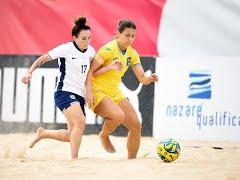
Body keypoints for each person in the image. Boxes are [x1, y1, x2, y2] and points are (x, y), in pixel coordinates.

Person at [21, 16, 95, 160]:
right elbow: (42, 58)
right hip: (64, 92)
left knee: (71, 135)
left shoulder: (91, 51)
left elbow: (90, 74)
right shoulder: (66, 48)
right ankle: (74, 160)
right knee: (80, 122)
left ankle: (44, 133)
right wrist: (29, 72)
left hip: (79, 94)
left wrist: (89, 92)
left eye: (89, 38)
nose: (87, 41)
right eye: (84, 38)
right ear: (75, 38)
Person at [85, 20, 159, 159]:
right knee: (118, 116)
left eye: (133, 36)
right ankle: (104, 135)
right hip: (96, 91)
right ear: (119, 34)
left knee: (136, 126)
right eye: (127, 35)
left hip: (114, 92)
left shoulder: (132, 54)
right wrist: (89, 91)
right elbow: (89, 72)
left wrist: (149, 79)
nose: (130, 39)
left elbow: (142, 77)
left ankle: (131, 160)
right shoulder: (108, 49)